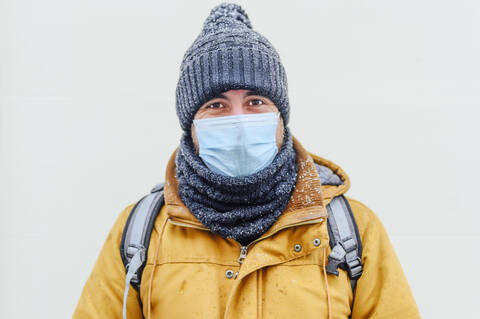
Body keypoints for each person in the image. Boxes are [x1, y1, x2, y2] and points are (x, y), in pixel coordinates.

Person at [73, 2, 421, 319]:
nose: (238, 119)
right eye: (216, 105)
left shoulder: (350, 230)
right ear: (190, 124)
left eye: (255, 102)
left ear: (280, 116)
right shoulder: (142, 232)